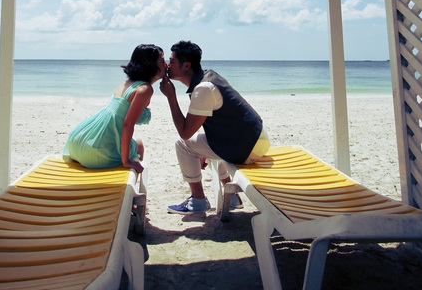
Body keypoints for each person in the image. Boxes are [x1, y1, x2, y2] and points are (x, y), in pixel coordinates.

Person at [160, 40, 270, 213]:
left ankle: (197, 201)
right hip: (256, 138)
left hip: (245, 147)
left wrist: (170, 96)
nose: (167, 65)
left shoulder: (203, 89)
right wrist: (205, 152)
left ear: (186, 65)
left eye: (172, 61)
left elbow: (185, 133)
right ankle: (232, 197)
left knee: (182, 144)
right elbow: (212, 120)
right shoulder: (209, 76)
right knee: (210, 145)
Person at [63, 44, 166, 173]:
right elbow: (128, 124)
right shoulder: (144, 90)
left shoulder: (127, 83)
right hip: (95, 152)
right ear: (151, 65)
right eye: (162, 61)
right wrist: (126, 161)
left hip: (77, 141)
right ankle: (133, 190)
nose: (166, 64)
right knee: (138, 145)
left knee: (135, 143)